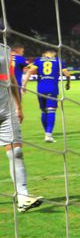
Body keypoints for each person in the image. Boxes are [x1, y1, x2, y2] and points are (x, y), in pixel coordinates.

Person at [0, 44, 43, 212]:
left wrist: (18, 106)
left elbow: (11, 79)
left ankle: (23, 196)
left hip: (6, 110)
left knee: (16, 152)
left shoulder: (4, 49)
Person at [23, 49, 71, 143]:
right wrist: (68, 83)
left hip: (40, 89)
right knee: (51, 110)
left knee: (44, 111)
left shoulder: (38, 60)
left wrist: (24, 85)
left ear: (45, 54)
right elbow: (67, 74)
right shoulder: (58, 61)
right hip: (52, 89)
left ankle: (46, 133)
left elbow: (29, 72)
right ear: (53, 54)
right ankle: (48, 135)